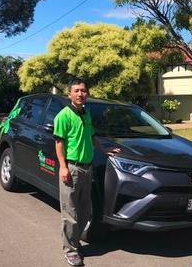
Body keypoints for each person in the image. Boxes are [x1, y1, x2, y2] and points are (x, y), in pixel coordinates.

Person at [53, 77, 119, 266]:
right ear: (69, 94)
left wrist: (104, 150)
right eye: (76, 91)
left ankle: (73, 243)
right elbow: (59, 143)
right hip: (72, 169)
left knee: (84, 211)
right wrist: (63, 167)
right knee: (70, 213)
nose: (80, 94)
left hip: (87, 168)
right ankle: (70, 250)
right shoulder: (63, 116)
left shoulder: (86, 113)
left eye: (83, 90)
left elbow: (91, 136)